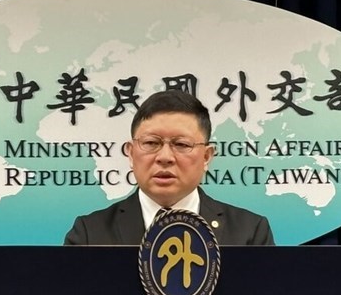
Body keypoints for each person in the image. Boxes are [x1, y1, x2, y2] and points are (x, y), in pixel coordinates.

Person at [64, 90, 275, 246]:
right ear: (130, 152)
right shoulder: (89, 234)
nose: (165, 157)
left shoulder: (250, 233)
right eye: (151, 143)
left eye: (181, 145)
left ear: (206, 157)